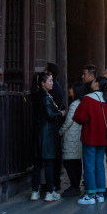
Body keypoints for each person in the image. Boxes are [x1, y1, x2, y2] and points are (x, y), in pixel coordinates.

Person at [73, 75, 107, 205]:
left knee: (89, 165)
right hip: (102, 137)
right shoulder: (106, 100)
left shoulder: (88, 99)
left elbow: (79, 117)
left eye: (94, 80)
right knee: (99, 164)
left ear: (96, 84)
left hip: (90, 136)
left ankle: (90, 193)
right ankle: (100, 193)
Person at [30, 71, 66, 202]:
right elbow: (50, 115)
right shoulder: (46, 97)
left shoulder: (36, 96)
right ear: (43, 83)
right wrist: (60, 114)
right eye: (50, 81)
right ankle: (50, 192)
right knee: (49, 164)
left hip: (38, 133)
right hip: (48, 134)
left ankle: (35, 191)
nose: (52, 83)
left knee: (37, 164)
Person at [59, 81, 85, 197]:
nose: (69, 90)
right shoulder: (82, 103)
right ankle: (76, 185)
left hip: (71, 137)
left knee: (69, 162)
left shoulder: (74, 104)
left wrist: (60, 131)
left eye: (71, 88)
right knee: (76, 162)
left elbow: (69, 121)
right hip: (78, 136)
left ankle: (74, 186)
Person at [46, 61, 65, 192]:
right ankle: (54, 181)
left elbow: (53, 110)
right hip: (56, 123)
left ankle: (54, 182)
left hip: (54, 125)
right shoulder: (56, 86)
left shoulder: (54, 88)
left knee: (54, 154)